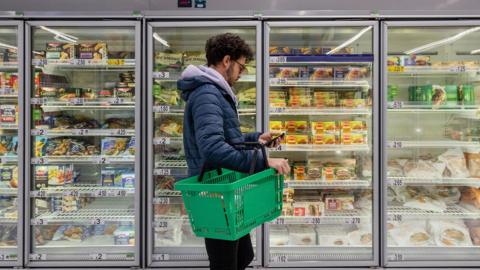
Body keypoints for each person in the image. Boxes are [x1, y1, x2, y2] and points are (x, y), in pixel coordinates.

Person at [177, 33, 290, 270]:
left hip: (224, 187)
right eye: (241, 66)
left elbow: (225, 139)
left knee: (242, 257)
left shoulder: (215, 91)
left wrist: (255, 140)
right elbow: (213, 149)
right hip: (215, 189)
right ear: (227, 61)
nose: (241, 73)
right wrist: (263, 161)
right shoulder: (207, 93)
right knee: (225, 262)